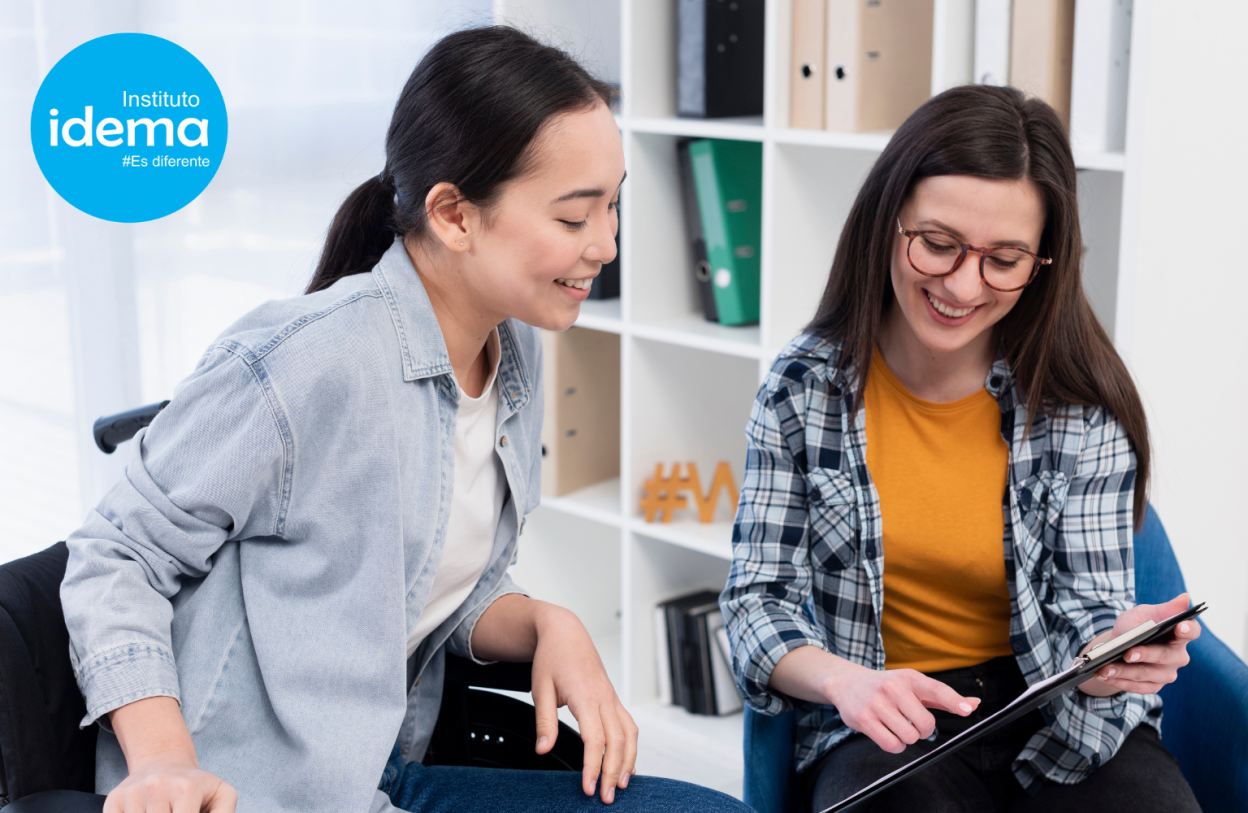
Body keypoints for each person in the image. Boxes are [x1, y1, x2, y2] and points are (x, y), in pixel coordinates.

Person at [61, 26, 752, 813]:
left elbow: (426, 586)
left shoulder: (512, 346)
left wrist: (542, 621)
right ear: (455, 216)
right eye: (572, 218)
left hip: (382, 768)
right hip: (253, 791)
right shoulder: (309, 359)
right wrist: (162, 765)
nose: (606, 243)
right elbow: (114, 553)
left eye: (614, 204)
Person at [719, 84, 1203, 813]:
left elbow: (1086, 613)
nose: (961, 283)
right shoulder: (802, 390)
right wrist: (842, 682)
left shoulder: (1080, 404)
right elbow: (757, 601)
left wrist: (1108, 661)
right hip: (889, 708)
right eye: (938, 244)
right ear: (888, 222)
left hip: (1057, 708)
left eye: (1004, 260)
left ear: (1044, 262)